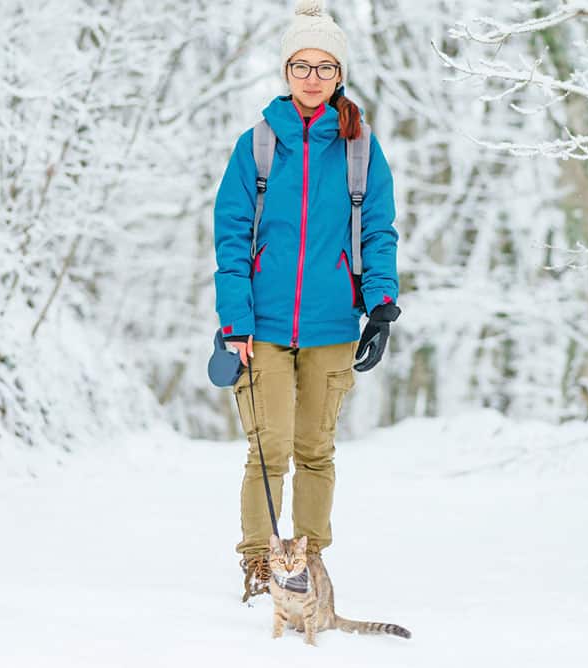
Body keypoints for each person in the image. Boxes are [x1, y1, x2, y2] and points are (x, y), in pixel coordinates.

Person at [212, 0, 400, 601]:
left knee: (316, 450)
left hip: (332, 323)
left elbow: (377, 230)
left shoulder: (360, 148)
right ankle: (260, 563)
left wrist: (382, 303)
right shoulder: (258, 145)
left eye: (324, 67)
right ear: (286, 71)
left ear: (339, 74)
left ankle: (308, 562)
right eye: (301, 65)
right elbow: (231, 235)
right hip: (261, 325)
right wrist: (235, 321)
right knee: (268, 448)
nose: (313, 77)